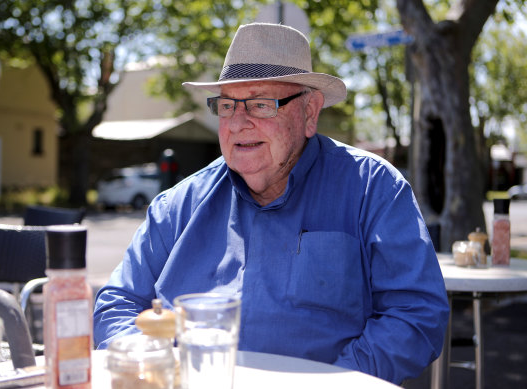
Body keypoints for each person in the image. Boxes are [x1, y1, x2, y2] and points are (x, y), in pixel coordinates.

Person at [94, 23, 449, 385]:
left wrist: (334, 382)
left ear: (310, 112)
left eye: (262, 104)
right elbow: (116, 303)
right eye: (228, 105)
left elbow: (416, 314)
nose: (238, 123)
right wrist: (150, 367)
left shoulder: (372, 188)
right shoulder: (179, 205)